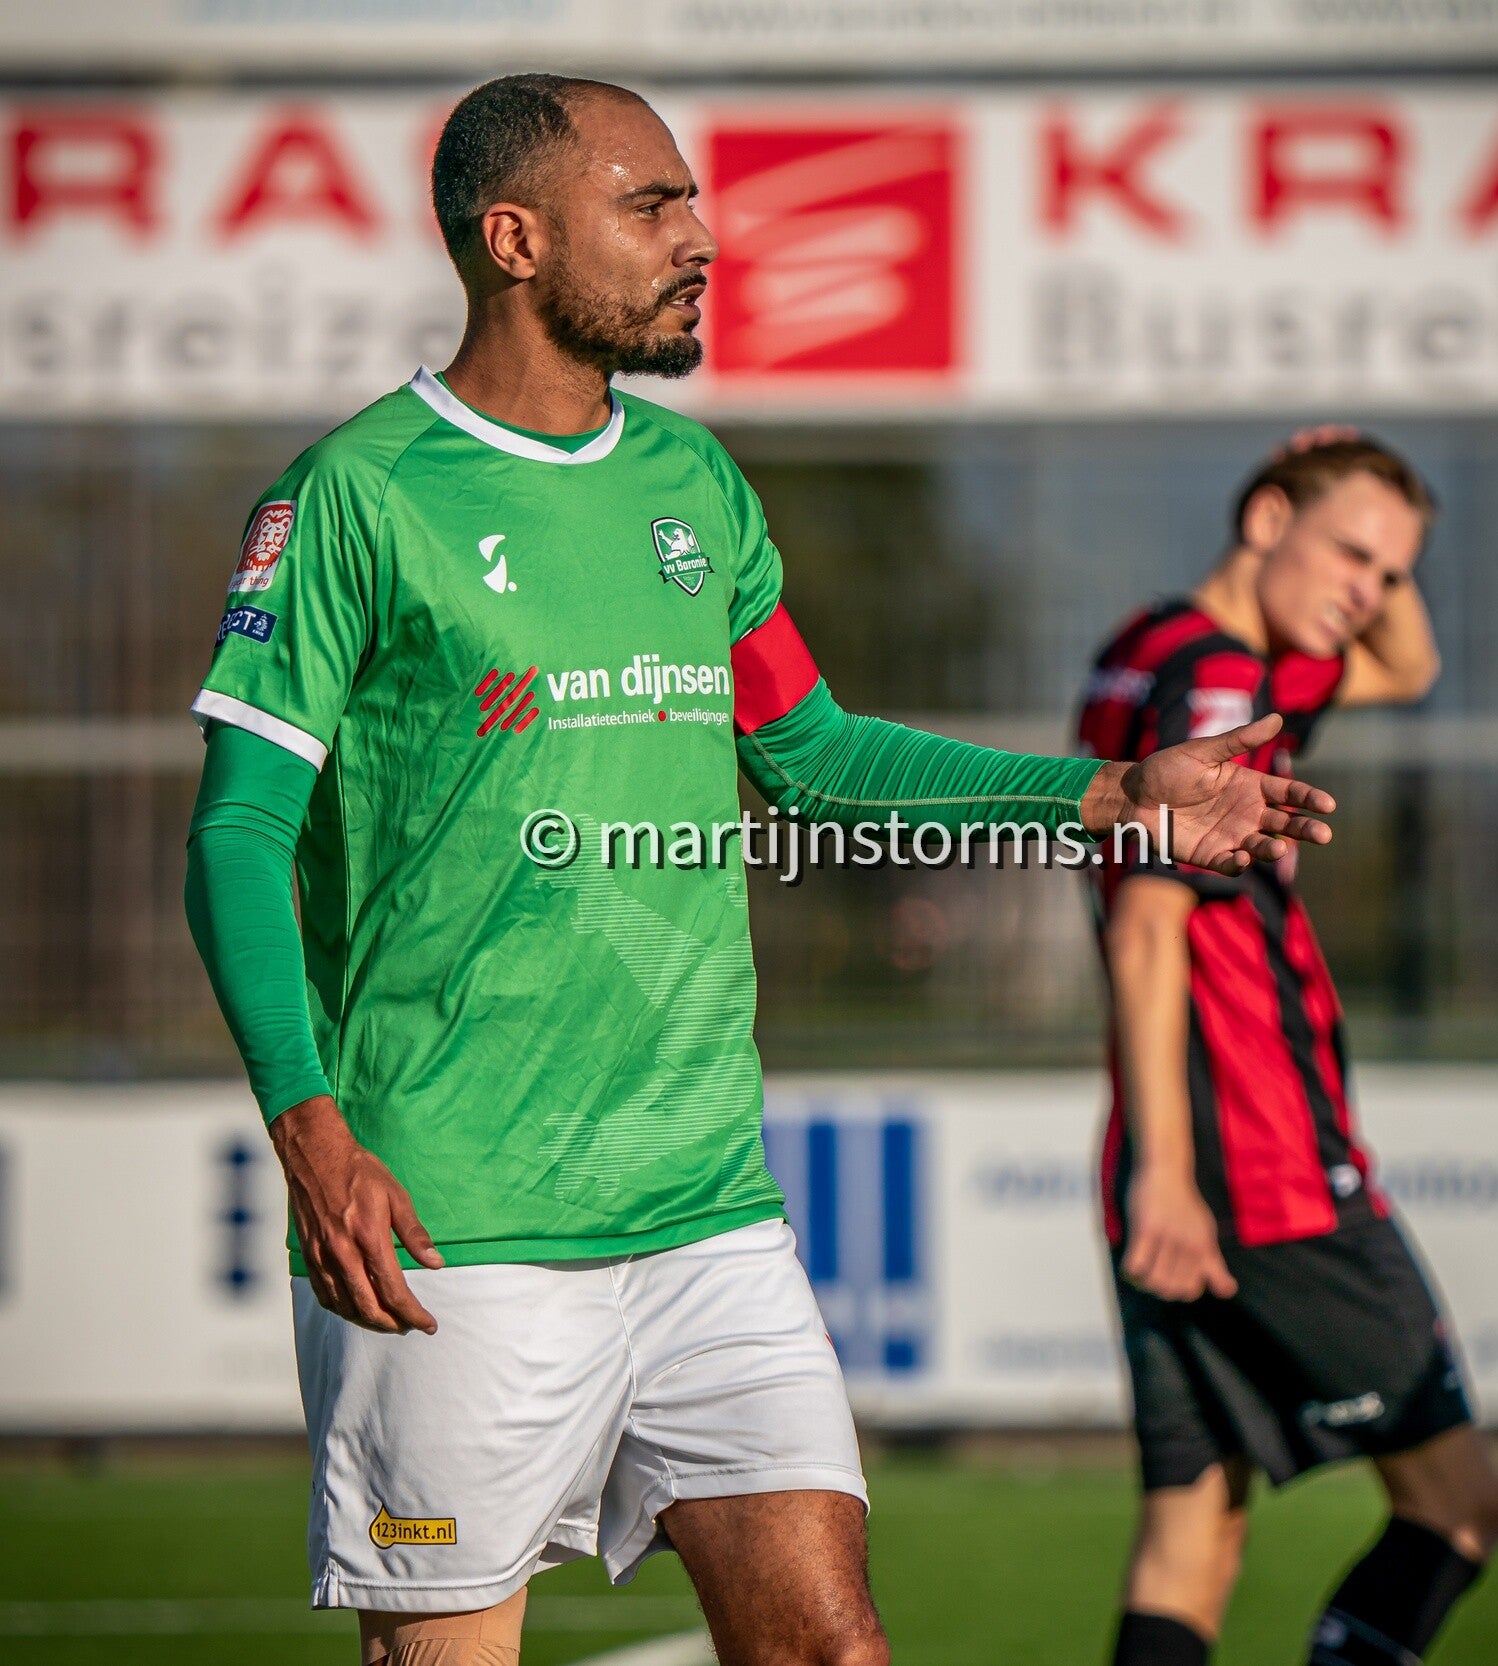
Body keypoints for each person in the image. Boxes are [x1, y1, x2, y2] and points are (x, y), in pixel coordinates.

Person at [184, 75, 1335, 1666]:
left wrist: (1112, 792)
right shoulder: (354, 497)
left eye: (691, 200)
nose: (699, 236)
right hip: (456, 1222)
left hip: (706, 1208)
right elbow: (238, 830)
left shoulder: (692, 484)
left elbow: (816, 753)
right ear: (514, 240)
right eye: (649, 204)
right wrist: (309, 1127)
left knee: (830, 1645)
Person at [1076, 434, 1498, 1666]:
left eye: (1392, 572)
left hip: (1160, 1152)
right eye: (1350, 556)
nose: (1368, 596)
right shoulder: (1224, 684)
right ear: (1267, 519)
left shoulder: (1150, 643)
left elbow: (1406, 664)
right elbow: (1149, 927)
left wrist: (1359, 500)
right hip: (1259, 1164)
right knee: (1460, 1505)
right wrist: (1173, 1175)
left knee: (1191, 1542)